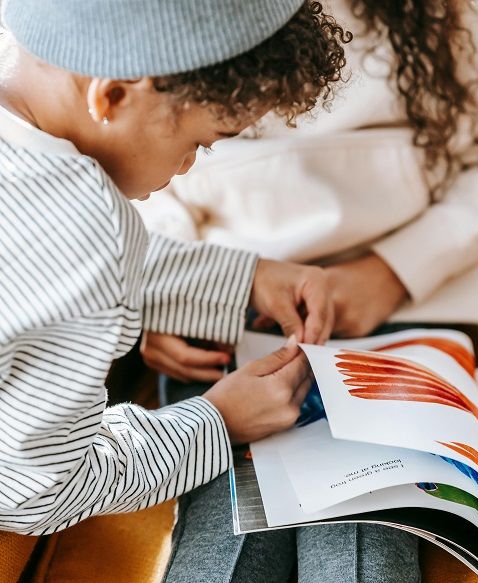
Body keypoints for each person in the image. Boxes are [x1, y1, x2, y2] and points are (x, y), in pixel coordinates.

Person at [137, 1, 478, 582]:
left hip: (406, 300)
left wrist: (391, 272)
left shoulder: (456, 14)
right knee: (225, 525)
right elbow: (140, 167)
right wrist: (166, 298)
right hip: (227, 308)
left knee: (363, 523)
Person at [0, 0, 351, 535]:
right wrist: (218, 422)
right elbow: (37, 490)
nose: (187, 167)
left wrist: (244, 280)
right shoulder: (89, 233)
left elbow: (36, 269)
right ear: (112, 95)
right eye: (197, 143)